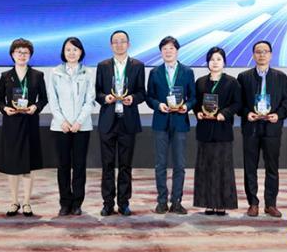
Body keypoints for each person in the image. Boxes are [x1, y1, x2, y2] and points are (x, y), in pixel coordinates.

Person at [237, 40, 287, 218]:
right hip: (251, 128)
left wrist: (279, 114)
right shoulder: (244, 77)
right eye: (258, 51)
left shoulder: (280, 77)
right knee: (250, 167)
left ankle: (270, 204)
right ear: (253, 55)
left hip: (272, 128)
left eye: (265, 51)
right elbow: (238, 102)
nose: (262, 54)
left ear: (270, 54)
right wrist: (246, 113)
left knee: (272, 167)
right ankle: (253, 203)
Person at [95, 30, 146, 216]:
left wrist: (133, 98)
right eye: (115, 41)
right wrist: (105, 98)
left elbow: (142, 92)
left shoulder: (138, 65)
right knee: (107, 165)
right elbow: (97, 92)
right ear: (111, 45)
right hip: (108, 121)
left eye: (122, 41)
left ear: (128, 44)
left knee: (125, 165)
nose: (119, 44)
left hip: (128, 121)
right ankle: (107, 203)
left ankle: (124, 203)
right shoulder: (103, 66)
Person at [0, 38, 48, 217]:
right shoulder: (5, 76)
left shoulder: (37, 75)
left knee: (28, 163)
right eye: (19, 52)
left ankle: (26, 202)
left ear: (30, 55)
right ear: (12, 54)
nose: (22, 55)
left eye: (26, 52)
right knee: (12, 164)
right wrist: (5, 109)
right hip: (11, 123)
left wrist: (35, 107)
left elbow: (43, 99)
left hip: (29, 122)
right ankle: (14, 201)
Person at [146, 36, 196, 215]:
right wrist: (158, 105)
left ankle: (177, 201)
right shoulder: (155, 72)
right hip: (161, 121)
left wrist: (186, 106)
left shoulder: (187, 72)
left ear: (177, 51)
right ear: (161, 52)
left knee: (179, 165)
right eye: (165, 49)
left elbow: (193, 97)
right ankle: (161, 201)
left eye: (171, 48)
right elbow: (149, 97)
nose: (168, 51)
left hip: (180, 122)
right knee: (160, 164)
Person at [47, 37, 96, 216]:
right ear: (63, 52)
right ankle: (65, 202)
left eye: (75, 49)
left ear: (81, 52)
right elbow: (53, 100)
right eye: (68, 49)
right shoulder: (55, 72)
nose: (72, 53)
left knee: (79, 165)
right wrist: (63, 121)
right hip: (61, 127)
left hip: (81, 127)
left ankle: (77, 203)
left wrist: (78, 122)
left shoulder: (88, 73)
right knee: (63, 166)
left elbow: (90, 101)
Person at [193, 47, 241, 216]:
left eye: (218, 59)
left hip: (222, 130)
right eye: (212, 59)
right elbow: (196, 102)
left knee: (223, 168)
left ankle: (222, 204)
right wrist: (197, 112)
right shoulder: (200, 82)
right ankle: (208, 203)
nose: (215, 62)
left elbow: (237, 103)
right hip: (205, 130)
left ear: (224, 62)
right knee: (205, 167)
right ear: (207, 62)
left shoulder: (232, 82)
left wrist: (225, 113)